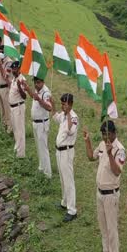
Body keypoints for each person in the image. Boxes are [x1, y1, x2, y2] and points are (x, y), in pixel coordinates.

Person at [83, 120, 125, 252]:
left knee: (111, 226)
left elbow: (117, 171)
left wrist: (110, 154)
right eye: (103, 135)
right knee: (102, 224)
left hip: (111, 194)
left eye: (108, 134)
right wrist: (87, 141)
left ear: (114, 133)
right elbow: (91, 157)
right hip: (100, 192)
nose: (105, 138)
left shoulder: (119, 150)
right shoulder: (101, 144)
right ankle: (106, 250)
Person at [53, 93, 79, 222]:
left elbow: (70, 130)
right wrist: (52, 105)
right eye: (62, 104)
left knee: (68, 179)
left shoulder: (73, 117)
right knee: (62, 178)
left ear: (70, 104)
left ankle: (72, 209)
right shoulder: (63, 115)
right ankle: (64, 201)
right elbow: (54, 117)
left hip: (67, 151)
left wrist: (68, 113)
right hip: (59, 151)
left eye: (65, 104)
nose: (63, 106)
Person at [24, 76, 53, 178]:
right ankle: (42, 167)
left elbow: (49, 107)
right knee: (38, 147)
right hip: (36, 123)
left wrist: (40, 100)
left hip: (42, 124)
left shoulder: (46, 93)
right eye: (35, 83)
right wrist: (28, 90)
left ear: (43, 82)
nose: (36, 85)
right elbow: (34, 96)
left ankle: (47, 173)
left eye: (38, 82)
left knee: (43, 148)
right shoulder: (38, 91)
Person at [7, 60, 27, 158]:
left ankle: (21, 154)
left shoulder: (22, 79)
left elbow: (24, 96)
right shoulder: (14, 79)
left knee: (20, 130)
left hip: (18, 107)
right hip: (12, 107)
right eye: (12, 68)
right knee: (15, 129)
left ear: (19, 68)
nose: (13, 70)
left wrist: (19, 87)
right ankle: (17, 147)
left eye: (14, 68)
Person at [0, 44, 12, 133]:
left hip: (5, 88)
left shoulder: (9, 62)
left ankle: (10, 128)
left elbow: (6, 77)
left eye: (2, 51)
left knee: (7, 109)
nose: (0, 53)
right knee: (1, 109)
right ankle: (4, 125)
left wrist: (0, 65)